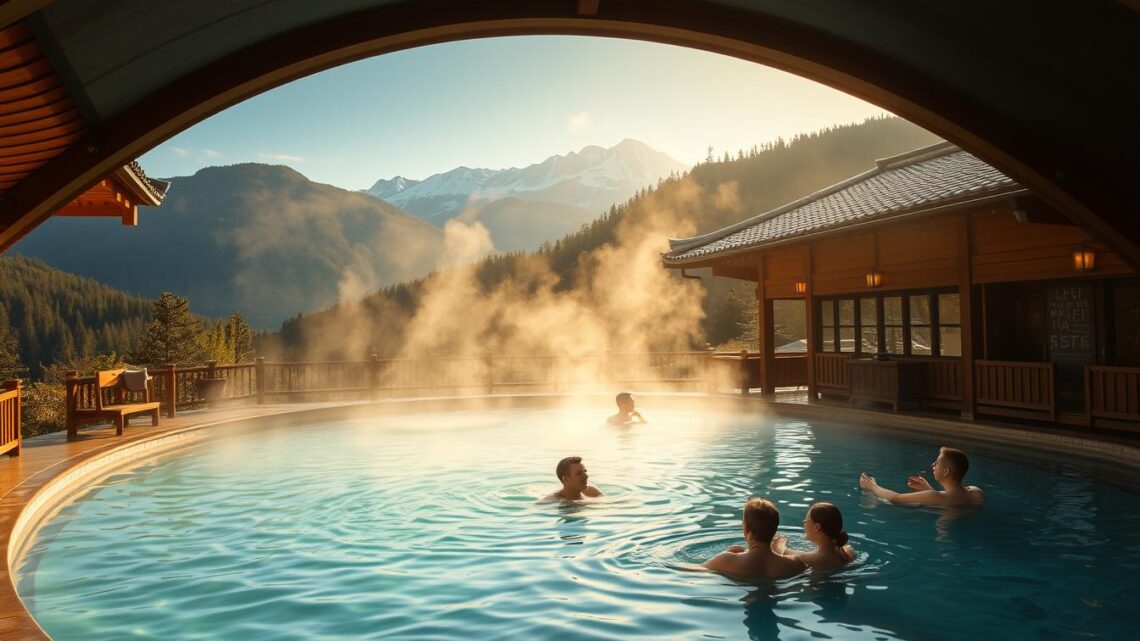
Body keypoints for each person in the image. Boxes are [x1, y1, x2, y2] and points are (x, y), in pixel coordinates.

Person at [703, 498, 806, 579]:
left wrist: (731, 556)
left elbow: (691, 570)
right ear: (775, 529)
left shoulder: (727, 560)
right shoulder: (796, 564)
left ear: (746, 528)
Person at [859, 446, 985, 508]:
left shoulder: (936, 496)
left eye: (936, 463)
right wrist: (928, 489)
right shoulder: (976, 492)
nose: (933, 465)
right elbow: (946, 500)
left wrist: (873, 487)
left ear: (946, 471)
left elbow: (895, 498)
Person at [771, 503, 855, 570]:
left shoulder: (812, 559)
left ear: (816, 527)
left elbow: (780, 550)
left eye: (805, 521)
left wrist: (779, 543)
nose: (804, 524)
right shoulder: (847, 552)